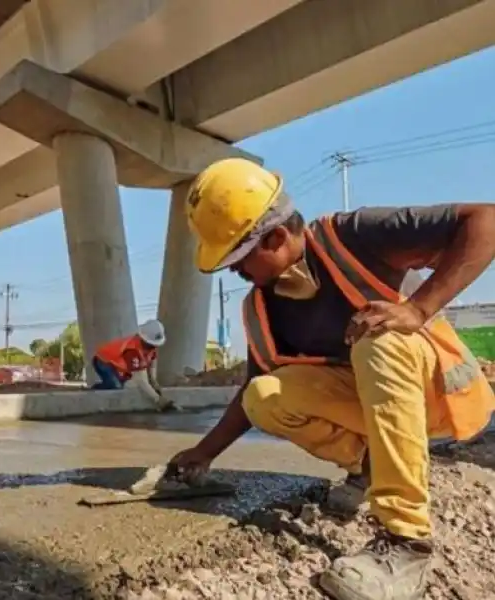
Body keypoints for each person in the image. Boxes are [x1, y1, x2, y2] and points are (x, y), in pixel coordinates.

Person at [169, 157, 495, 600]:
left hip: (441, 398)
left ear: (278, 237)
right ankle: (370, 468)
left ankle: (407, 542)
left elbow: (486, 220)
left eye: (238, 260)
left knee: (378, 340)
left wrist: (417, 308)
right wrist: (203, 453)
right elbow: (252, 392)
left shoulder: (355, 238)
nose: (235, 273)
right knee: (266, 395)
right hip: (378, 410)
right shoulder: (262, 307)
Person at [91, 319, 174, 410]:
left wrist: (154, 382)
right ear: (144, 340)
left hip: (117, 365)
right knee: (116, 386)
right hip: (102, 361)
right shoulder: (132, 350)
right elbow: (140, 380)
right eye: (152, 344)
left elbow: (152, 364)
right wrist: (157, 399)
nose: (154, 347)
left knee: (127, 383)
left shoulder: (150, 348)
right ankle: (94, 389)